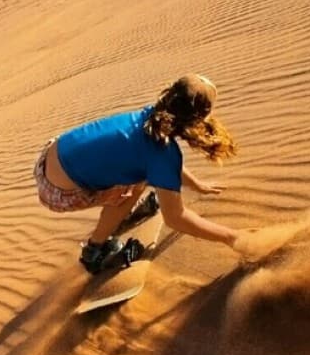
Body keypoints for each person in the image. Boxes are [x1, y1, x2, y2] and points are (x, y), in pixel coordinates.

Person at [33, 73, 240, 273]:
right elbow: (176, 218)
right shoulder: (161, 152)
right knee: (134, 185)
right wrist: (231, 237)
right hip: (57, 193)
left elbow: (160, 163)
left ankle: (120, 214)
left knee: (138, 170)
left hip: (48, 158)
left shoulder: (150, 117)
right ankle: (95, 252)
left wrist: (195, 184)